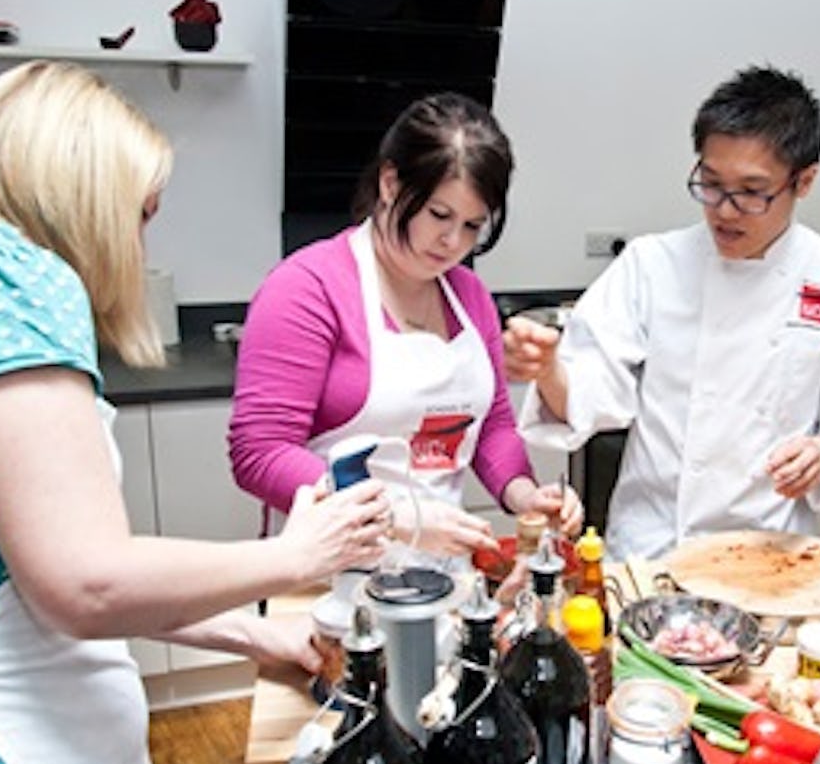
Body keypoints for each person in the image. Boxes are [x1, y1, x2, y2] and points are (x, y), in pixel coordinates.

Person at [0, 60, 393, 764]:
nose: (140, 240)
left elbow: (19, 572)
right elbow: (87, 579)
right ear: (80, 191)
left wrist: (255, 637)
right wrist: (295, 557)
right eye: (140, 213)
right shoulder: (3, 278)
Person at [504, 66, 820, 559]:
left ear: (804, 181)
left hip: (771, 552)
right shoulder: (652, 265)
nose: (724, 209)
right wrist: (548, 370)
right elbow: (590, 385)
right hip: (652, 548)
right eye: (711, 183)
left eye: (751, 191)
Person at [229, 93, 582, 575]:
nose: (453, 242)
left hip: (439, 578)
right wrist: (397, 515)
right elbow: (260, 453)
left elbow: (491, 426)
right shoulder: (307, 288)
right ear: (391, 182)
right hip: (326, 580)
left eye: (472, 225)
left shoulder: (469, 296)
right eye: (439, 216)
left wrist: (525, 495)